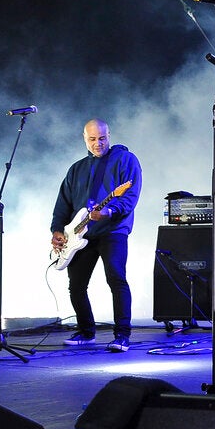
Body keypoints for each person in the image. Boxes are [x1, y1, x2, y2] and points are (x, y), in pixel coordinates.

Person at [51, 119, 142, 352]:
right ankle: (86, 331)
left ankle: (122, 335)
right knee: (76, 286)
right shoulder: (77, 168)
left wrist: (109, 211)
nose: (97, 143)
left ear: (109, 135)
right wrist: (57, 230)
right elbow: (63, 204)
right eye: (92, 139)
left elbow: (129, 198)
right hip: (81, 234)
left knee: (116, 279)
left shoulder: (126, 160)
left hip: (113, 231)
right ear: (84, 138)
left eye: (102, 138)